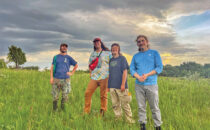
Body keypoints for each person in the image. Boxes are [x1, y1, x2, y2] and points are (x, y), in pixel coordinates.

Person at [130, 35, 163, 130]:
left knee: (154, 107)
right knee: (141, 107)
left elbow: (159, 68)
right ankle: (142, 125)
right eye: (139, 41)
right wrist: (138, 77)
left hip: (151, 84)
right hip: (139, 85)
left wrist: (147, 75)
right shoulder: (135, 56)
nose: (141, 43)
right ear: (137, 44)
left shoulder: (154, 53)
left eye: (142, 40)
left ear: (147, 41)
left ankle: (158, 126)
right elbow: (132, 69)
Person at [108, 43, 135, 123]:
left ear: (118, 50)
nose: (114, 50)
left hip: (121, 86)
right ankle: (118, 120)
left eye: (116, 49)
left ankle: (129, 121)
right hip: (112, 86)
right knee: (115, 105)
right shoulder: (111, 60)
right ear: (111, 50)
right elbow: (110, 73)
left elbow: (125, 72)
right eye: (112, 49)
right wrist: (108, 86)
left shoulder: (122, 58)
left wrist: (123, 84)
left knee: (125, 104)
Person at [84, 38, 111, 116]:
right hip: (94, 77)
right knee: (87, 93)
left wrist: (110, 76)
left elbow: (112, 64)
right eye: (95, 42)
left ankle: (103, 111)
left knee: (103, 95)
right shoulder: (93, 54)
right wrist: (90, 74)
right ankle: (86, 111)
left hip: (105, 77)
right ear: (94, 44)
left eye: (98, 42)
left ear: (100, 43)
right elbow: (90, 65)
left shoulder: (107, 53)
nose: (96, 43)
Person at [50, 43, 78, 111]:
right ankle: (55, 110)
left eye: (65, 47)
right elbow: (52, 67)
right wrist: (51, 78)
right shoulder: (56, 57)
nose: (64, 48)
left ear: (67, 49)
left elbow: (76, 65)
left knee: (65, 96)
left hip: (66, 79)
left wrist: (72, 73)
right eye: (62, 46)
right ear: (60, 48)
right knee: (55, 96)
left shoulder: (68, 58)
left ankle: (63, 110)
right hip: (56, 78)